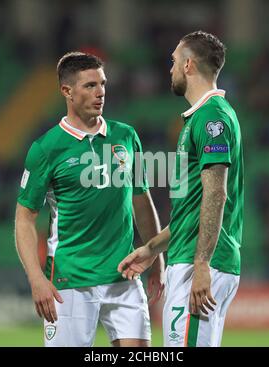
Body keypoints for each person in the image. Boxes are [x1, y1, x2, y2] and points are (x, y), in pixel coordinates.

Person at [15, 52, 164, 347]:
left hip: (124, 274)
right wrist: (36, 279)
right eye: (90, 86)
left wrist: (155, 258)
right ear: (67, 91)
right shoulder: (47, 148)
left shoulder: (125, 136)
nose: (100, 93)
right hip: (69, 280)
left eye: (103, 84)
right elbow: (24, 219)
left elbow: (141, 200)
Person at [118, 31, 244, 347]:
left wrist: (202, 264)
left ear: (188, 65)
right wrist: (152, 248)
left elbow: (217, 194)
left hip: (199, 263)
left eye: (173, 61)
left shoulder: (211, 118)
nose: (169, 68)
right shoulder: (203, 118)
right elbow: (195, 210)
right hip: (192, 259)